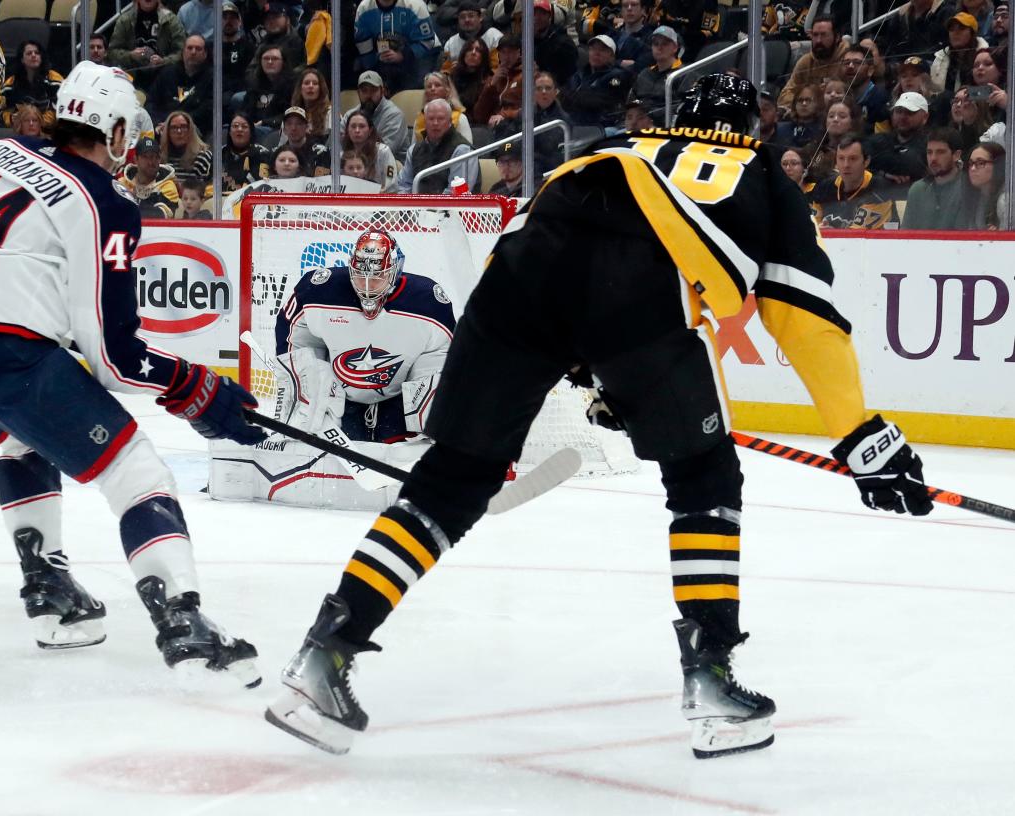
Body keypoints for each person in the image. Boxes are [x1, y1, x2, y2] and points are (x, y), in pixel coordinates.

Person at [264, 73, 933, 758]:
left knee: (451, 482)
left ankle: (325, 653)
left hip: (512, 284)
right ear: (749, 127)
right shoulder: (760, 174)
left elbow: (538, 243)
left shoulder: (615, 146)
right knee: (704, 477)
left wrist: (588, 359)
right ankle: (711, 682)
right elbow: (804, 318)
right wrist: (860, 438)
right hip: (632, 296)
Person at [0, 61, 265, 684]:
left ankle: (51, 592)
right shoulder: (106, 201)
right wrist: (192, 386)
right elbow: (113, 355)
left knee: (22, 437)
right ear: (114, 131)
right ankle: (183, 625)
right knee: (134, 469)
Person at [272, 230, 455, 446]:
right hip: (341, 402)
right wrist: (306, 383)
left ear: (395, 272)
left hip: (398, 403)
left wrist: (432, 415)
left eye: (377, 276)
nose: (367, 285)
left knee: (411, 452)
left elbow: (440, 357)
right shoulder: (318, 291)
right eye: (360, 276)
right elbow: (294, 331)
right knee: (324, 454)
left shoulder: (427, 303)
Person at [809, 136, 901, 229]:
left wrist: (829, 234)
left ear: (866, 161)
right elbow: (812, 228)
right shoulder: (823, 187)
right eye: (841, 158)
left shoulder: (879, 190)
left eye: (853, 159)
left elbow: (857, 239)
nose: (846, 165)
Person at [354, 0, 441, 92]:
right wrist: (374, 62)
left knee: (413, 88)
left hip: (423, 51)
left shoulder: (416, 5)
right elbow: (363, 43)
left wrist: (403, 55)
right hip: (383, 54)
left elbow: (427, 41)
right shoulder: (364, 8)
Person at [396, 97, 478, 193]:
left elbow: (457, 194)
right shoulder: (414, 150)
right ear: (425, 122)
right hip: (416, 206)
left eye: (440, 118)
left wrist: (427, 207)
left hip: (450, 206)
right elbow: (403, 186)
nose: (435, 123)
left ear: (450, 121)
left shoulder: (462, 150)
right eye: (431, 119)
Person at [776, 16, 847, 112]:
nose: (818, 41)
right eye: (815, 35)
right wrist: (811, 96)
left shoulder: (849, 59)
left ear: (837, 37)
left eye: (824, 35)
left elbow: (856, 95)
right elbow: (783, 97)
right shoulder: (806, 61)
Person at [147, 34, 215, 134]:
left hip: (194, 129)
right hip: (162, 127)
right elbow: (151, 103)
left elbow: (208, 110)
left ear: (205, 54)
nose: (193, 52)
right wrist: (158, 123)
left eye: (198, 49)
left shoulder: (212, 78)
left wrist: (175, 123)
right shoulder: (167, 74)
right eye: (190, 48)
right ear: (182, 52)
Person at [563, 34, 632, 129]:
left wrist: (574, 96)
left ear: (612, 56)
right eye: (593, 49)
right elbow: (563, 96)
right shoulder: (579, 74)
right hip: (573, 124)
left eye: (602, 50)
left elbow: (600, 100)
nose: (596, 53)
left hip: (602, 126)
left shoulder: (617, 76)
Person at [902, 128, 966, 229]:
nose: (933, 158)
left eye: (940, 152)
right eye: (929, 152)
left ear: (956, 155)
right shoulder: (917, 189)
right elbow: (906, 235)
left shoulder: (969, 188)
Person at [867, 91, 932, 186]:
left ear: (925, 117)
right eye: (898, 111)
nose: (902, 117)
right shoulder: (881, 139)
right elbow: (858, 159)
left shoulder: (932, 143)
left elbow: (911, 163)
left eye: (910, 112)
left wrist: (876, 163)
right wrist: (882, 174)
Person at [344, 70, 412, 159]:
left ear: (382, 91)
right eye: (364, 91)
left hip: (392, 166)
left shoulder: (394, 115)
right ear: (358, 93)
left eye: (373, 90)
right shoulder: (350, 115)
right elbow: (337, 145)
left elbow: (384, 152)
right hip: (356, 164)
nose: (368, 95)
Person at [108, 0, 187, 76]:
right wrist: (131, 55)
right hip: (131, 74)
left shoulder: (171, 20)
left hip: (163, 74)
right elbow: (112, 52)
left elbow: (182, 52)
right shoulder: (125, 20)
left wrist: (163, 61)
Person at [2, 41, 63, 131]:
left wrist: (35, 122)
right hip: (18, 131)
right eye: (29, 53)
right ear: (22, 59)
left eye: (37, 53)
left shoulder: (54, 79)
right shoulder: (11, 83)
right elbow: (3, 111)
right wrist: (11, 119)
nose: (34, 55)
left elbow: (60, 110)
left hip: (49, 131)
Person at [879, 0, 960, 63]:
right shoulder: (899, 17)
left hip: (936, 72)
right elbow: (891, 54)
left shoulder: (946, 13)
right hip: (903, 74)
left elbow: (946, 50)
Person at [120, 135, 180, 219]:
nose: (151, 162)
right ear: (135, 159)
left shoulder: (168, 186)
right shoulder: (122, 183)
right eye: (145, 157)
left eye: (155, 157)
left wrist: (131, 202)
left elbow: (160, 215)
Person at [930, 12, 987, 97]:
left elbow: (988, 92)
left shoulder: (985, 56)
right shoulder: (940, 58)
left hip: (975, 104)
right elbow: (933, 94)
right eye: (952, 29)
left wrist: (966, 96)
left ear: (972, 33)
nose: (955, 33)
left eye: (962, 28)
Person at [629, 26, 683, 116]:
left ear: (675, 48)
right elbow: (631, 103)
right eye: (655, 44)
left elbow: (681, 107)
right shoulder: (644, 74)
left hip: (664, 126)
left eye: (665, 44)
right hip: (638, 123)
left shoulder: (684, 74)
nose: (659, 47)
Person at [474, 34, 524, 131]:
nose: (506, 57)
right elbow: (479, 115)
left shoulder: (528, 75)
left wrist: (504, 115)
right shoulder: (494, 78)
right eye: (503, 52)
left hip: (516, 126)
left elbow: (532, 108)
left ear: (519, 53)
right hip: (493, 127)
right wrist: (491, 85)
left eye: (510, 52)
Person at [243, 43, 295, 133]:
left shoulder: (292, 84)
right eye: (266, 58)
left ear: (283, 62)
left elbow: (292, 114)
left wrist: (265, 122)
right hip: (254, 126)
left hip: (277, 128)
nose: (270, 62)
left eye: (275, 59)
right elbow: (244, 110)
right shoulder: (254, 83)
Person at [342, 109, 398, 190]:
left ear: (370, 130)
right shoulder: (341, 153)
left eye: (362, 126)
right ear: (347, 130)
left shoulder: (383, 152)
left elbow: (391, 185)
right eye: (353, 126)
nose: (357, 130)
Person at [440, 0, 502, 73]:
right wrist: (452, 72)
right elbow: (444, 71)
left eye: (471, 16)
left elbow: (498, 68)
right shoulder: (450, 43)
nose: (467, 20)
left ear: (480, 17)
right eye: (462, 17)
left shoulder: (494, 36)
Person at [958, 141, 1007, 228]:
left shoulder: (1006, 202)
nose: (972, 169)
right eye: (971, 163)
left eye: (980, 163)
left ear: (998, 166)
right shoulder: (976, 199)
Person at [220, 111, 272, 191]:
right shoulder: (220, 154)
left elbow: (261, 185)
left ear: (251, 132)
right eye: (235, 126)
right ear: (229, 132)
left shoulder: (262, 154)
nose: (239, 129)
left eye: (244, 127)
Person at [414, 71, 472, 142]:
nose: (433, 88)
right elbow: (413, 149)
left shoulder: (460, 118)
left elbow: (467, 149)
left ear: (447, 90)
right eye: (429, 86)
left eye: (437, 85)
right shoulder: (419, 119)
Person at [161, 110, 214, 185]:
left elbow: (208, 190)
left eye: (183, 127)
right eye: (173, 128)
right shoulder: (160, 157)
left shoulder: (202, 156)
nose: (179, 131)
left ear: (191, 130)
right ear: (167, 132)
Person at [277, 105, 330, 176]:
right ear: (284, 130)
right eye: (289, 124)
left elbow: (322, 183)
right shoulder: (277, 153)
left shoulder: (320, 152)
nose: (293, 128)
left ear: (307, 128)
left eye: (299, 123)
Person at [451, 38, 493, 123]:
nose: (473, 53)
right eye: (469, 49)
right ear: (464, 53)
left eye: (478, 50)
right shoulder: (453, 75)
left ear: (483, 56)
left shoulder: (488, 80)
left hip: (475, 123)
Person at [219, 1, 254, 100]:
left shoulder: (248, 48)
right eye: (224, 18)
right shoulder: (211, 48)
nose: (228, 22)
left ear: (239, 22)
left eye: (232, 18)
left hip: (239, 94)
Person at [774, 84, 824, 149]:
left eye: (808, 100)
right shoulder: (780, 129)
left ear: (818, 103)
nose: (804, 104)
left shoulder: (823, 130)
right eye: (800, 100)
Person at [291, 67, 332, 140]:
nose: (310, 86)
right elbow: (283, 145)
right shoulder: (292, 114)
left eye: (315, 83)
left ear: (321, 89)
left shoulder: (330, 113)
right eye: (306, 83)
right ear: (300, 89)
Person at [614, 0, 654, 74]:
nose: (629, 8)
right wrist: (620, 63)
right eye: (625, 5)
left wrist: (612, 62)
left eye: (634, 5)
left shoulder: (651, 38)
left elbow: (642, 65)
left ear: (643, 10)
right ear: (621, 11)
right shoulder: (613, 34)